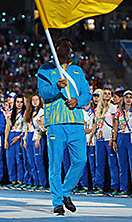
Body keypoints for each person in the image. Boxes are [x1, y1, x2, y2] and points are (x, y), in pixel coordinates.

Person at [37, 38, 91, 216]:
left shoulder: (77, 70)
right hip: (56, 123)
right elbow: (43, 92)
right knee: (55, 164)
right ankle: (57, 202)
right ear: (55, 49)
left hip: (76, 122)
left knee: (80, 160)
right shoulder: (46, 69)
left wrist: (78, 101)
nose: (66, 49)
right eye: (62, 45)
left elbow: (87, 94)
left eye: (69, 46)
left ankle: (66, 191)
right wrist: (56, 86)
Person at [111, 90, 132, 196]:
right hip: (121, 137)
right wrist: (114, 140)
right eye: (126, 97)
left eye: (130, 97)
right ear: (123, 99)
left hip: (131, 137)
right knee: (122, 164)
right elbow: (115, 127)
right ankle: (123, 188)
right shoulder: (119, 111)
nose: (128, 99)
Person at [90, 88, 119, 195]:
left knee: (112, 163)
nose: (106, 95)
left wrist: (113, 138)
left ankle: (114, 186)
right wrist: (91, 136)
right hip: (99, 139)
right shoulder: (98, 108)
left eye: (109, 94)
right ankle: (99, 185)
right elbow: (95, 124)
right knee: (99, 163)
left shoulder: (113, 108)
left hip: (108, 138)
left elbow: (115, 125)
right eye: (105, 93)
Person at [76, 89, 99, 193]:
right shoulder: (79, 112)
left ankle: (94, 185)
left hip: (92, 141)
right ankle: (84, 184)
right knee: (82, 164)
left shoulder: (95, 112)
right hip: (81, 141)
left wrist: (89, 131)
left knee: (93, 164)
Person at [23, 94, 46, 190]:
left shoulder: (42, 112)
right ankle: (35, 181)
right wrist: (24, 139)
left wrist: (39, 139)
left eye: (36, 100)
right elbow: (26, 127)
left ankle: (42, 182)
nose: (35, 102)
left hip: (37, 137)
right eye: (33, 100)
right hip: (29, 136)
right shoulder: (29, 112)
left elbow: (42, 127)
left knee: (38, 161)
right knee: (31, 160)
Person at [4, 95, 25, 187]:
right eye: (17, 102)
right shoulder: (10, 113)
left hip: (20, 135)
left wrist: (19, 137)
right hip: (11, 135)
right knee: (10, 159)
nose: (19, 104)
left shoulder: (25, 113)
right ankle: (12, 179)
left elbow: (26, 127)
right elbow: (7, 127)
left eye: (21, 102)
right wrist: (5, 140)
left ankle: (20, 178)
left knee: (19, 159)